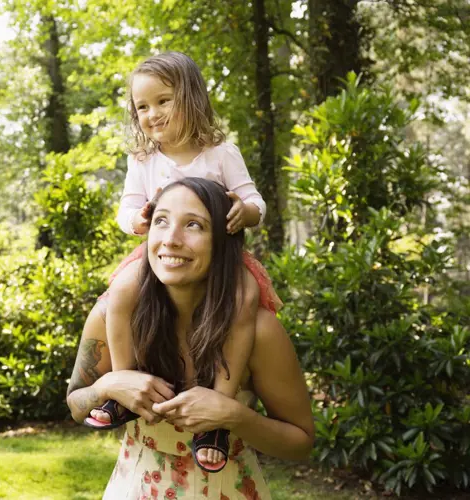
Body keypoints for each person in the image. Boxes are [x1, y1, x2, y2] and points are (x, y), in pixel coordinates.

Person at [84, 51, 282, 472]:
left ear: (190, 98)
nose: (152, 113)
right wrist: (135, 220)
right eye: (142, 106)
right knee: (120, 292)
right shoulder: (142, 161)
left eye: (163, 101)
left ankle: (218, 412)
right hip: (157, 256)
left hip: (221, 259)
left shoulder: (221, 153)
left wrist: (246, 212)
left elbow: (254, 200)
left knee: (245, 297)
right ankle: (124, 388)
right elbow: (127, 208)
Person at [67, 178, 314, 499]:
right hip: (134, 488)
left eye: (194, 225)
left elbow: (301, 444)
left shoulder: (258, 331)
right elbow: (76, 404)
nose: (171, 239)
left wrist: (235, 417)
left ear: (224, 240)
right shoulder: (112, 313)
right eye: (161, 221)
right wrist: (109, 386)